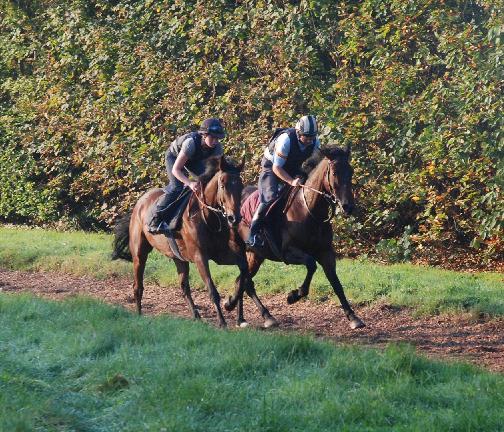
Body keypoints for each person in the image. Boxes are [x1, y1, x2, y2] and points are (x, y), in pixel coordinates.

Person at [247, 115, 321, 247]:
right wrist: (291, 181)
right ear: (298, 133)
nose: (310, 140)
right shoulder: (285, 140)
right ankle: (253, 232)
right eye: (306, 136)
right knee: (270, 197)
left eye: (312, 136)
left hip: (292, 166)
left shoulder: (315, 142)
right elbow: (277, 168)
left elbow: (313, 165)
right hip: (272, 167)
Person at [148, 118, 225, 234]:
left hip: (194, 160)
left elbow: (216, 172)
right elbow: (176, 170)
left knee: (208, 182)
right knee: (177, 187)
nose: (215, 141)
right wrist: (189, 183)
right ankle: (155, 219)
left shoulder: (217, 148)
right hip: (174, 158)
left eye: (217, 138)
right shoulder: (191, 143)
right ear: (204, 135)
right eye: (212, 137)